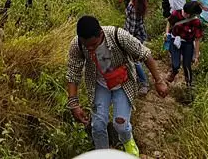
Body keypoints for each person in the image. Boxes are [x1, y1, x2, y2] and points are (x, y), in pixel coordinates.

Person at [66, 16, 168, 156]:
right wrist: (73, 103)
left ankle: (129, 144)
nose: (90, 49)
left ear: (100, 34)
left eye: (94, 45)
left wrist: (159, 81)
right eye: (86, 46)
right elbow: (73, 72)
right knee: (98, 125)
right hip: (100, 85)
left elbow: (145, 54)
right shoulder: (77, 44)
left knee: (121, 125)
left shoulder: (118, 36)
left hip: (122, 83)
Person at [165, 1, 204, 88]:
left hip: (188, 43)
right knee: (176, 64)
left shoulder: (196, 21)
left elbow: (197, 39)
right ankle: (174, 72)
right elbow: (169, 22)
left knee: (187, 65)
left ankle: (189, 85)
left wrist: (197, 56)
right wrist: (167, 33)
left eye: (188, 14)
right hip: (175, 40)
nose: (185, 15)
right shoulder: (176, 13)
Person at [123, 0, 149, 95]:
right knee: (135, 59)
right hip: (138, 33)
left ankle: (144, 83)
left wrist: (128, 40)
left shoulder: (134, 7)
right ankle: (138, 78)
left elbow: (132, 28)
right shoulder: (137, 2)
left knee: (134, 59)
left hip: (134, 35)